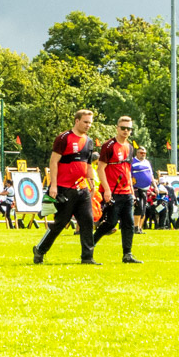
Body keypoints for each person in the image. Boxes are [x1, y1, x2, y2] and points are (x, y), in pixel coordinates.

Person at [33, 109, 98, 265]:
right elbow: (53, 161)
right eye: (85, 122)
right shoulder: (64, 138)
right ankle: (40, 250)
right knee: (61, 222)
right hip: (64, 188)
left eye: (90, 123)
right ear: (77, 121)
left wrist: (91, 182)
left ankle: (87, 257)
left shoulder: (89, 141)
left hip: (82, 188)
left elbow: (88, 164)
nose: (88, 125)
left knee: (87, 221)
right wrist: (53, 185)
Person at [90, 116, 143, 263]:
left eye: (129, 129)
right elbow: (101, 168)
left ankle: (127, 254)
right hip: (113, 191)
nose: (126, 131)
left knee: (129, 223)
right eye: (123, 128)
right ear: (117, 128)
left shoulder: (130, 147)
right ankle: (90, 244)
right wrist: (106, 190)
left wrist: (131, 190)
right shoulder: (109, 146)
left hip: (126, 192)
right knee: (111, 223)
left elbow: (127, 170)